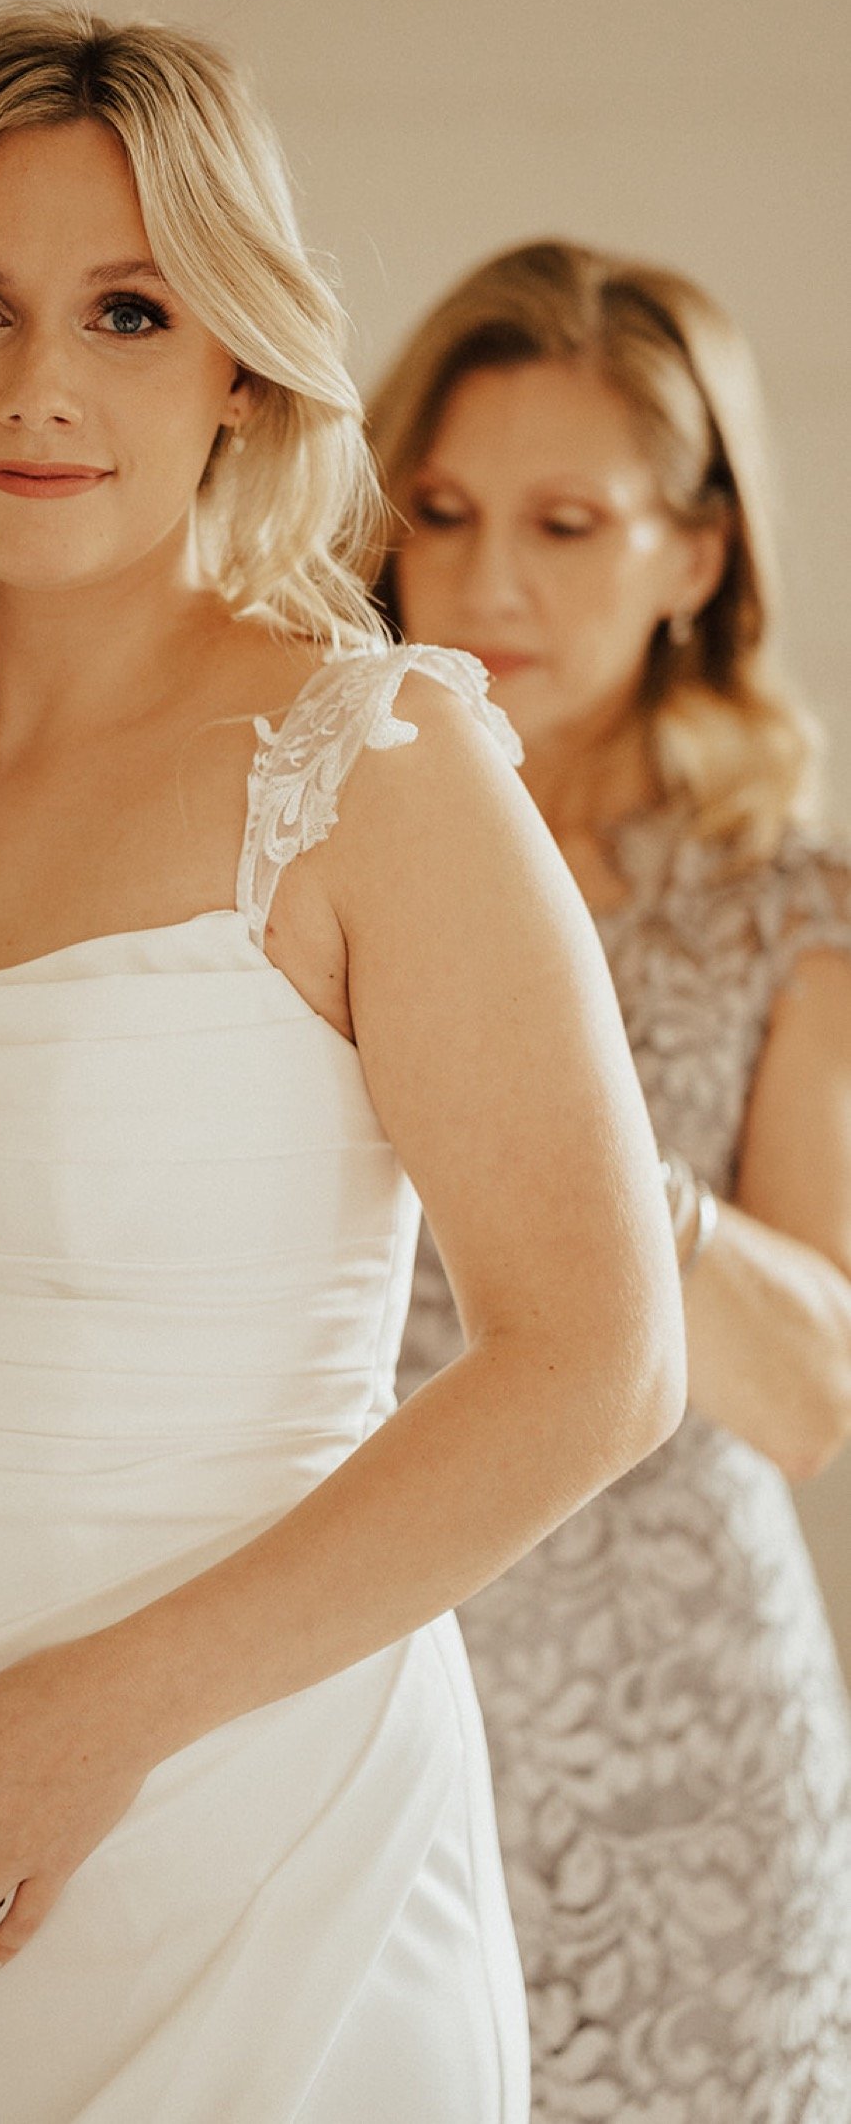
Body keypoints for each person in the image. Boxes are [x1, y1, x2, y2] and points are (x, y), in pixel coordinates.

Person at [0, 11, 686, 2124]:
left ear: (240, 364)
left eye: (129, 312)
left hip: (254, 1865)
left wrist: (101, 1720)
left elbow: (596, 1359)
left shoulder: (375, 761)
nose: (38, 385)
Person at [376, 238, 851, 2121]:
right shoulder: (293, 847)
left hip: (684, 1781)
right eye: (443, 511)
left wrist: (572, 1144)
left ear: (698, 555)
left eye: (567, 524)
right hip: (348, 1719)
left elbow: (810, 1394)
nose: (491, 580)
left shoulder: (784, 915)